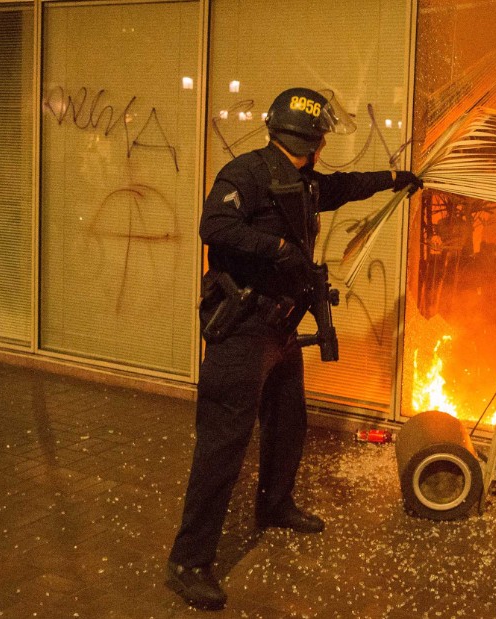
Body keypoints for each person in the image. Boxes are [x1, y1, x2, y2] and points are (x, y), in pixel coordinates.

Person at [166, 87, 422, 610]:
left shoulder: (301, 179)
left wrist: (394, 180)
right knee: (223, 443)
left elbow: (343, 188)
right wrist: (279, 249)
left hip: (280, 327)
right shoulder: (249, 173)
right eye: (322, 137)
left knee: (287, 422)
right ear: (313, 139)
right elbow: (213, 226)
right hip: (241, 330)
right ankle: (188, 561)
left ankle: (275, 503)